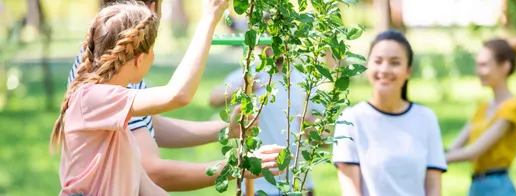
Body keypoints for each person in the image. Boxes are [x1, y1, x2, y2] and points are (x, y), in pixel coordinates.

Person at [56, 0, 287, 195]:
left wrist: (227, 131)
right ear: (139, 58)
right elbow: (178, 94)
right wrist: (209, 18)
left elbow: (147, 185)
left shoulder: (118, 120)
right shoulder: (92, 97)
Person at [331, 29, 446, 196]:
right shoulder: (350, 120)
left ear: (408, 71)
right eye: (378, 61)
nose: (384, 69)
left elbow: (434, 188)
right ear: (368, 66)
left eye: (395, 62)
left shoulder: (426, 118)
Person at [209, 37, 324, 196]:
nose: (272, 44)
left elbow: (324, 138)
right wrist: (244, 88)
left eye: (277, 37)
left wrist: (312, 128)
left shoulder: (306, 80)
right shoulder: (251, 74)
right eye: (267, 37)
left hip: (298, 184)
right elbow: (214, 98)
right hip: (255, 185)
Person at [445, 38, 516, 196]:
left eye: (484, 65)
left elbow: (474, 152)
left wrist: (431, 161)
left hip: (498, 189)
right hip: (476, 187)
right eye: (478, 64)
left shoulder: (512, 108)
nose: (477, 71)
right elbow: (455, 147)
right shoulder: (483, 107)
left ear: (505, 67)